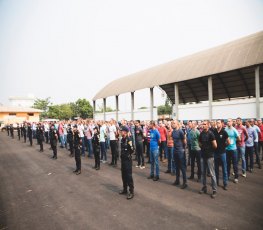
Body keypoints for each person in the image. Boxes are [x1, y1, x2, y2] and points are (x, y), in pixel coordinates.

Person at [198, 120, 217, 199]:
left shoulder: (211, 134)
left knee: (212, 174)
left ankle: (214, 190)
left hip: (210, 156)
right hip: (203, 155)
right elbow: (199, 142)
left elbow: (215, 145)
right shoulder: (201, 133)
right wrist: (203, 147)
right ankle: (204, 187)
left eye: (205, 124)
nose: (203, 125)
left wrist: (209, 149)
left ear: (208, 125)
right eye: (203, 124)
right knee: (203, 173)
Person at [213, 120, 229, 190]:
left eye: (218, 123)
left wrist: (224, 146)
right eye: (217, 123)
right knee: (216, 168)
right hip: (215, 153)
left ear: (222, 124)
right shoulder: (214, 131)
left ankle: (225, 183)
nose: (217, 124)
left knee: (224, 169)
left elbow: (228, 142)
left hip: (222, 153)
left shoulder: (224, 132)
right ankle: (216, 182)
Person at [119, 126, 134, 200]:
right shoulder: (122, 139)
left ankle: (131, 191)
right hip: (123, 160)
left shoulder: (129, 139)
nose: (120, 132)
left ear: (125, 132)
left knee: (129, 176)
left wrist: (128, 154)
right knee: (123, 175)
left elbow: (132, 149)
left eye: (121, 131)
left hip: (127, 160)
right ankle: (125, 189)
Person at [172, 120, 187, 189]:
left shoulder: (180, 131)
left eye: (174, 123)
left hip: (180, 151)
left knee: (182, 167)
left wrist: (183, 149)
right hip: (175, 151)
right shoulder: (173, 132)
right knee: (176, 166)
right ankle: (177, 180)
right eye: (172, 123)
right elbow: (173, 141)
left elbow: (184, 141)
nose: (172, 124)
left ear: (177, 124)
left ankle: (185, 182)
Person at [225, 119, 240, 183]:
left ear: (231, 122)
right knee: (227, 164)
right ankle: (227, 176)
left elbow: (239, 138)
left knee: (235, 164)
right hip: (227, 149)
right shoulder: (225, 129)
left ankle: (236, 177)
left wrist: (233, 141)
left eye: (229, 121)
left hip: (233, 149)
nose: (228, 122)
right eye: (227, 121)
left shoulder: (234, 130)